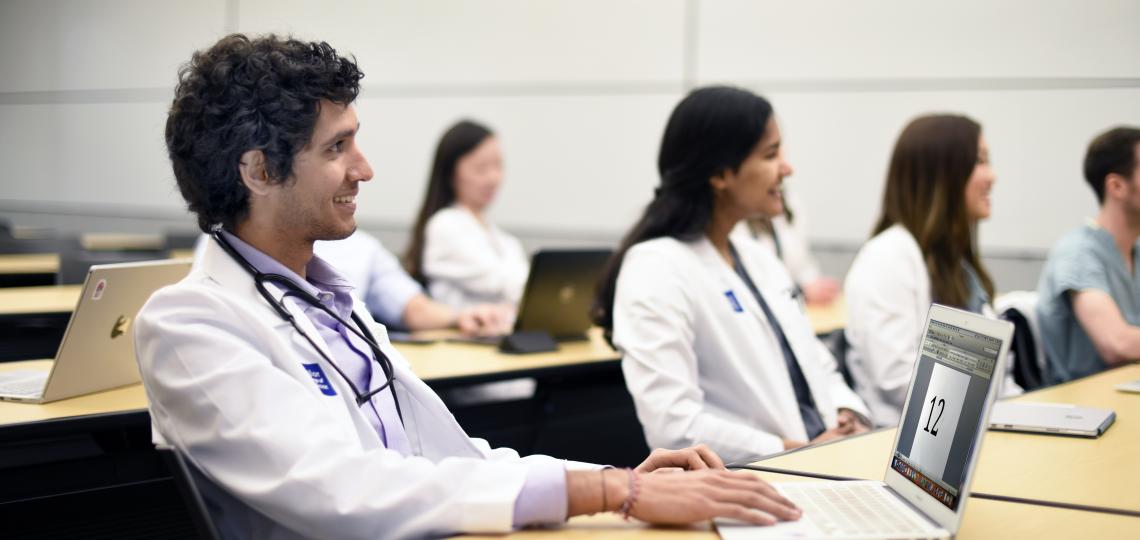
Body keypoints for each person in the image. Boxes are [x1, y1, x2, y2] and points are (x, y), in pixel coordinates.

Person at [139, 34, 800, 539]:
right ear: (257, 170)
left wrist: (610, 480)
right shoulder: (191, 324)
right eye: (337, 148)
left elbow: (447, 456)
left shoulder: (330, 302)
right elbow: (346, 488)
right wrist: (602, 491)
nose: (364, 169)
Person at [593, 86, 870, 465]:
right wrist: (797, 452)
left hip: (821, 460)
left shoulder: (758, 258)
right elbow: (674, 426)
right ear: (721, 174)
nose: (787, 169)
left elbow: (814, 361)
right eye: (771, 155)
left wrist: (846, 413)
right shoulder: (655, 268)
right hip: (753, 478)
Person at [844, 114, 1015, 426]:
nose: (992, 177)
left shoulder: (955, 263)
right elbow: (897, 379)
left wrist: (1019, 410)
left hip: (971, 428)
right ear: (943, 173)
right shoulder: (888, 256)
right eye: (980, 162)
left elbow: (999, 374)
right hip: (910, 443)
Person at [1037, 126, 1140, 383]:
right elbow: (1116, 344)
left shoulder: (1135, 250)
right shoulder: (1078, 254)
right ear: (1116, 186)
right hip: (1081, 408)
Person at [403, 120, 529, 310]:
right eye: (481, 168)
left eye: (498, 165)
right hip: (460, 337)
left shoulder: (505, 240)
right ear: (451, 174)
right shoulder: (445, 225)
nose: (494, 178)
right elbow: (503, 282)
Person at [313, 229, 511, 335]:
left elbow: (414, 307)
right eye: (332, 151)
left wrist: (460, 317)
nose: (364, 173)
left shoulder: (361, 247)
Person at [735, 191, 841, 306]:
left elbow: (803, 266)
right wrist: (801, 293)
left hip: (798, 308)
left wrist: (817, 287)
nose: (787, 172)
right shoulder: (732, 220)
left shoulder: (789, 201)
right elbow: (747, 292)